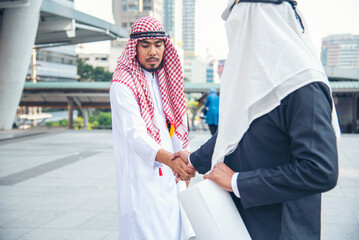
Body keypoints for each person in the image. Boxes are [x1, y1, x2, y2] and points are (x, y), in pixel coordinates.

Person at [173, 0, 341, 239]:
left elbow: (320, 170)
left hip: (282, 227)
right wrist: (193, 160)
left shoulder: (304, 87)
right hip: (241, 221)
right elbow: (236, 132)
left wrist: (238, 182)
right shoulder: (256, 84)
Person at [109, 17, 195, 240]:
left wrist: (183, 157)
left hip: (167, 175)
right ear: (134, 47)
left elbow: (172, 124)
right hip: (139, 179)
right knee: (143, 232)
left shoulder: (162, 80)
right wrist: (172, 160)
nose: (153, 52)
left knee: (170, 232)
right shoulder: (122, 84)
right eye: (145, 45)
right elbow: (135, 134)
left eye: (158, 44)